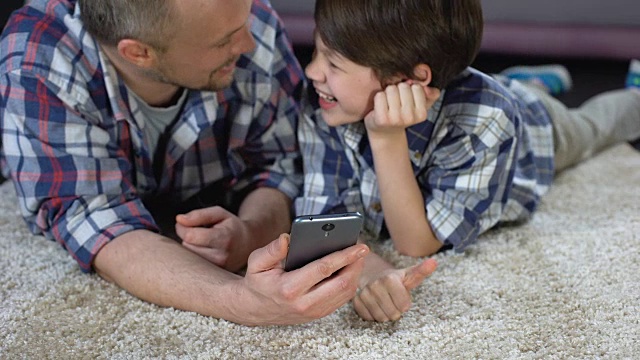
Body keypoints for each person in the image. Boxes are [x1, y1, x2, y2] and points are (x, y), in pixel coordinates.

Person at [0, 0, 371, 326]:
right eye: (224, 41)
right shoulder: (36, 65)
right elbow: (98, 222)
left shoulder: (245, 19)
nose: (250, 43)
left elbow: (281, 162)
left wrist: (250, 231)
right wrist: (242, 301)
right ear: (139, 53)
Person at [296, 0, 640, 322]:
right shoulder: (325, 102)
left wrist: (386, 138)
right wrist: (371, 271)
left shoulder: (486, 118)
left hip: (535, 129)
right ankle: (530, 79)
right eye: (315, 51)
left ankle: (629, 95)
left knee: (592, 129)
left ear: (407, 82)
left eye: (334, 63)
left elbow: (416, 243)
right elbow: (325, 221)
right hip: (486, 93)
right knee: (511, 86)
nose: (312, 71)